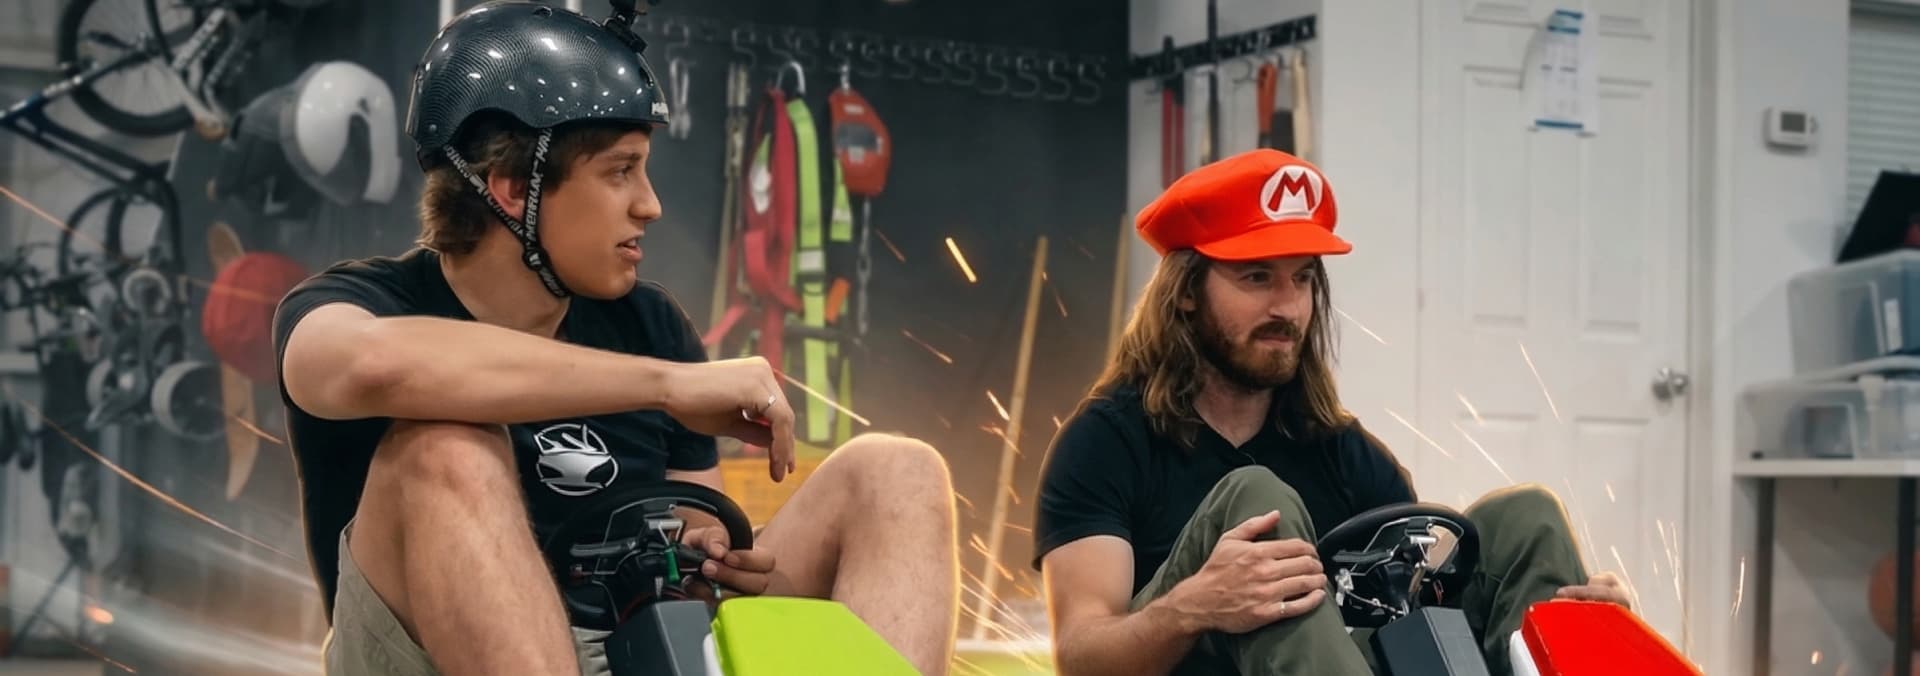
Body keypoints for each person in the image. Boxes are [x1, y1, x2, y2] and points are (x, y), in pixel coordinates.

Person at [272, 3, 960, 675]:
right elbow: (371, 366)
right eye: (620, 171)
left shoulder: (649, 324)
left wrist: (710, 566)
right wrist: (667, 387)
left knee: (897, 471)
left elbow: (692, 533)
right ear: (512, 188)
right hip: (425, 657)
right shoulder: (355, 305)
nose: (650, 204)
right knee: (445, 445)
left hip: (633, 649)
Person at [1029, 149, 1632, 676]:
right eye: (1257, 278)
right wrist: (1193, 607)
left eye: (1302, 279)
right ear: (1186, 292)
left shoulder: (1343, 452)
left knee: (1526, 517)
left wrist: (1579, 623)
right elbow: (1080, 658)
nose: (1288, 307)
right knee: (1256, 500)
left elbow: (1416, 619)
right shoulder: (1106, 442)